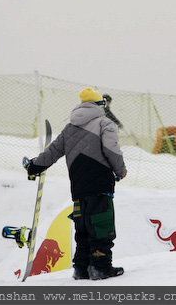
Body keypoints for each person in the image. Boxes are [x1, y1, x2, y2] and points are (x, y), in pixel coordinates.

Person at [25, 87, 128, 280]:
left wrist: (34, 166)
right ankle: (100, 267)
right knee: (101, 225)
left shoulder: (70, 128)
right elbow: (111, 149)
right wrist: (120, 170)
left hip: (78, 188)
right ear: (99, 105)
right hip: (100, 185)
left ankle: (81, 268)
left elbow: (52, 151)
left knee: (83, 228)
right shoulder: (105, 123)